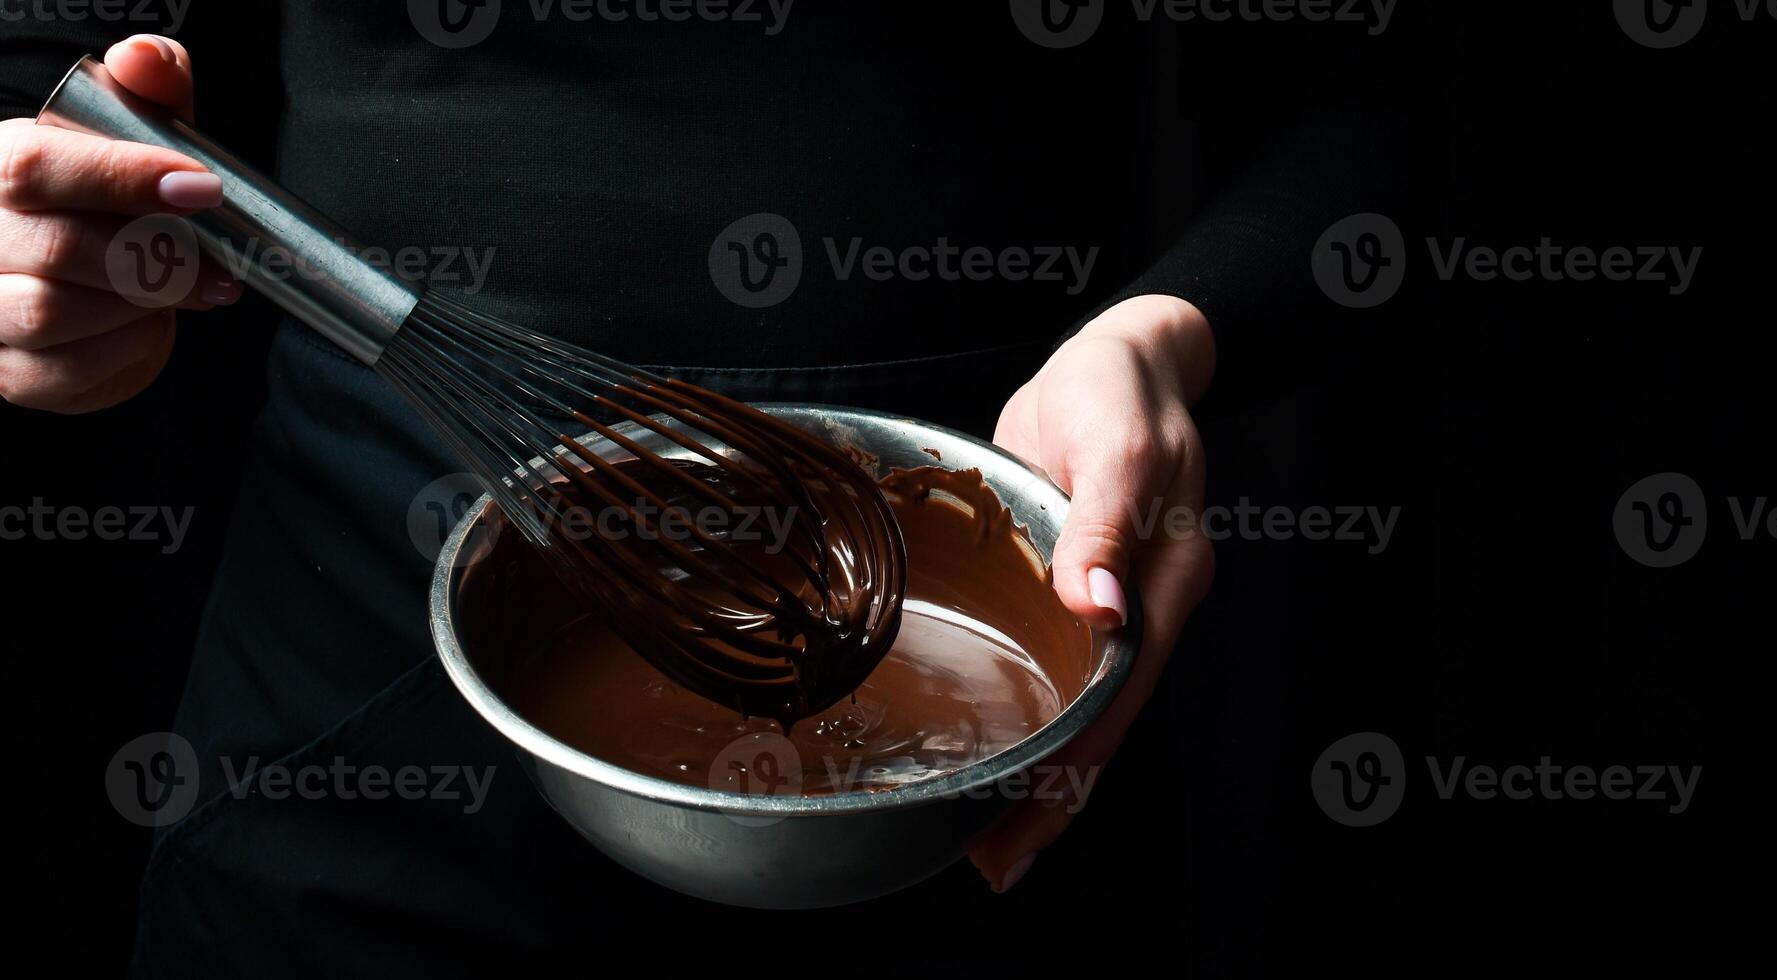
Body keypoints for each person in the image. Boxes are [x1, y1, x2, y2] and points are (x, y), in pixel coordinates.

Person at [1, 9, 1399, 974]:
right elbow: (35, 77)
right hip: (366, 696)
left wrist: (1163, 334)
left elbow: (1365, 106)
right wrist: (32, 231)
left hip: (993, 760)